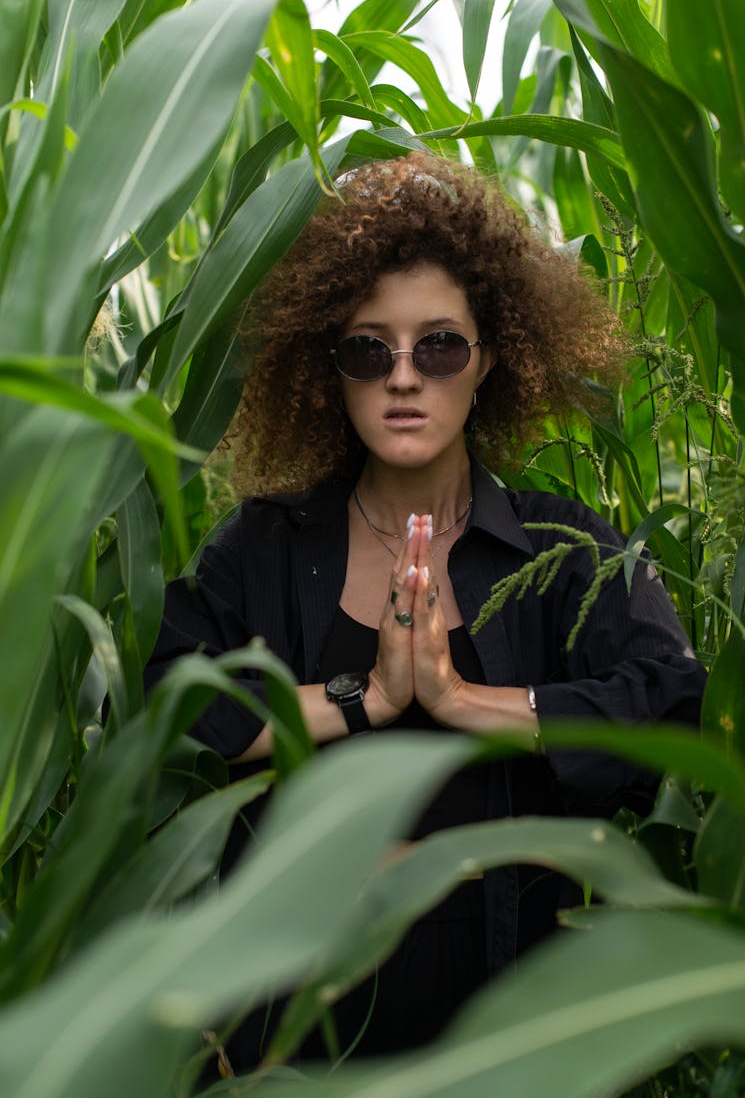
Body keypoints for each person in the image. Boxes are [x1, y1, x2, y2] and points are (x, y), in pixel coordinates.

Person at [145, 151, 706, 1069]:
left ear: (490, 361)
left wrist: (464, 702)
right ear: (332, 371)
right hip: (294, 1036)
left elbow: (678, 706)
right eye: (370, 350)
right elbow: (173, 700)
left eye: (439, 345)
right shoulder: (268, 544)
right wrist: (362, 696)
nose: (404, 376)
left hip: (505, 1034)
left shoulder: (563, 550)